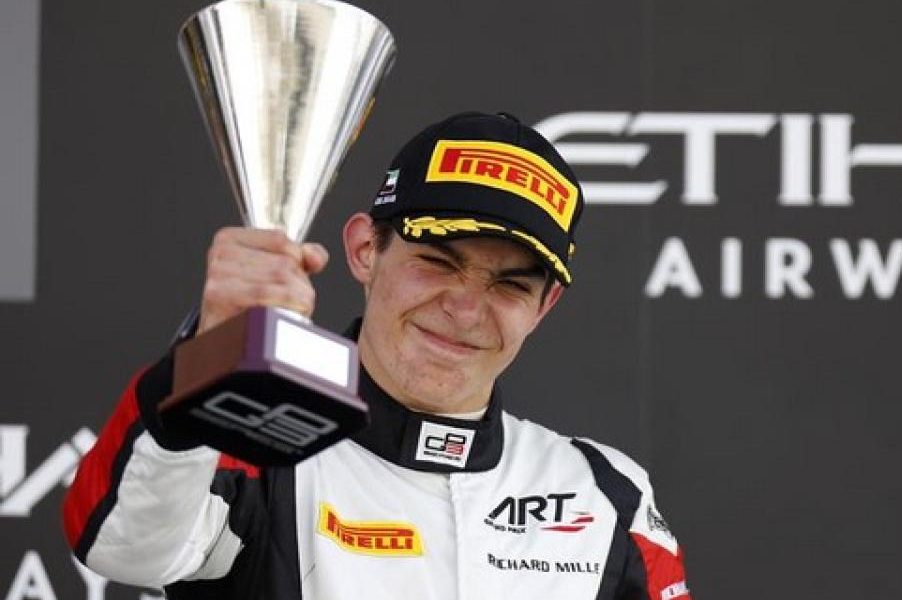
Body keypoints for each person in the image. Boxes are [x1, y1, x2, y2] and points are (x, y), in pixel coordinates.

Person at [60, 112, 691, 600]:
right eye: (437, 261)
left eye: (510, 285)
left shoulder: (604, 492)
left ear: (544, 306)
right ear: (366, 250)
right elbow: (122, 546)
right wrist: (205, 358)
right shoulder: (250, 446)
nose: (466, 308)